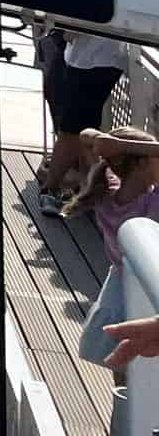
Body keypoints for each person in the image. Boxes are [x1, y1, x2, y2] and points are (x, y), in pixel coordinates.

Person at [61, 127, 159, 413]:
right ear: (142, 162)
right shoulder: (151, 205)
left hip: (121, 286)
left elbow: (87, 135)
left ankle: (126, 410)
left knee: (125, 360)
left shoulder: (106, 196)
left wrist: (116, 144)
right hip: (146, 291)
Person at [45, 29, 132, 210]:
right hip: (102, 58)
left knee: (72, 129)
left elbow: (72, 30)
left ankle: (50, 189)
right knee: (83, 126)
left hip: (92, 60)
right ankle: (88, 189)